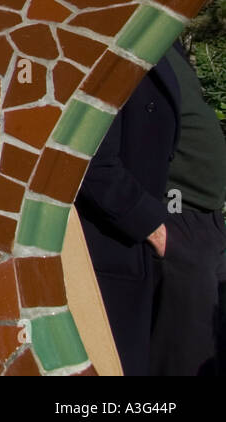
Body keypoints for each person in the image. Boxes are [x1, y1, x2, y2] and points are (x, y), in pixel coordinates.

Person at [75, 54, 179, 376]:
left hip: (146, 239)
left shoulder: (159, 41)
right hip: (113, 244)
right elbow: (90, 160)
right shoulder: (107, 46)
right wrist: (154, 227)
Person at [151, 43, 226, 375]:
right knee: (184, 355)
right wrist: (154, 226)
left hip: (205, 216)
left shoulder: (166, 38)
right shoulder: (125, 29)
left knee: (211, 344)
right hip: (175, 214)